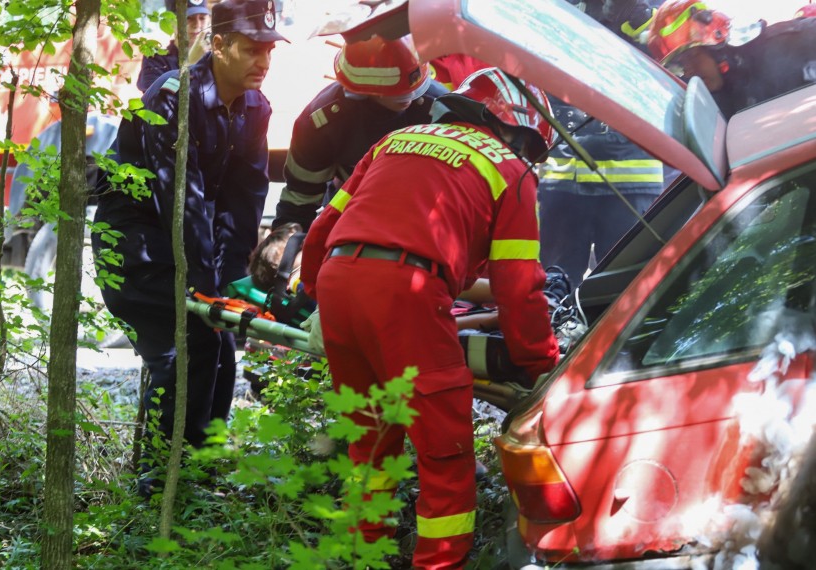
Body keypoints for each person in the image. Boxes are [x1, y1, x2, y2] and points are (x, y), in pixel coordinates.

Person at [299, 67, 560, 569]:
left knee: (370, 438)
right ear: (517, 129)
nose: (528, 158)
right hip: (405, 294)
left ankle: (363, 553)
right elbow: (518, 286)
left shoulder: (397, 140)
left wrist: (318, 293)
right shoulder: (511, 171)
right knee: (445, 452)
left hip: (338, 278)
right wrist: (539, 358)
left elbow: (324, 226)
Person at [91, 0, 286, 497]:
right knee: (188, 347)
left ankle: (198, 470)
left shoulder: (255, 106)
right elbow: (181, 198)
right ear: (217, 45)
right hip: (138, 251)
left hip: (184, 249)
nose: (262, 61)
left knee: (219, 342)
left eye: (269, 50)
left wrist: (232, 273)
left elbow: (246, 196)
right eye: (251, 49)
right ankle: (161, 481)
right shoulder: (172, 98)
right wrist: (203, 284)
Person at [538, 0, 665, 287]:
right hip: (563, 176)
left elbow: (671, 58)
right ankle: (556, 333)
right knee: (554, 286)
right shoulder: (552, 8)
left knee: (629, 287)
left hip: (630, 176)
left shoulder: (641, 8)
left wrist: (640, 15)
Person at [271, 34, 447, 231]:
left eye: (413, 90)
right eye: (396, 92)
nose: (408, 97)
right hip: (352, 217)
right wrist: (284, 239)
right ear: (363, 89)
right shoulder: (322, 124)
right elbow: (299, 200)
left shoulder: (442, 109)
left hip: (426, 217)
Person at [647, 0, 816, 119]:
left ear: (716, 45)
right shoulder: (716, 101)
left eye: (691, 57)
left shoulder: (795, 42)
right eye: (681, 64)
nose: (689, 71)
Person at [137, 0, 212, 92]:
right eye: (188, 18)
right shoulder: (155, 59)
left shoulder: (215, 56)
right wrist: (189, 65)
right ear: (170, 22)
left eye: (202, 18)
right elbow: (157, 101)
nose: (197, 25)